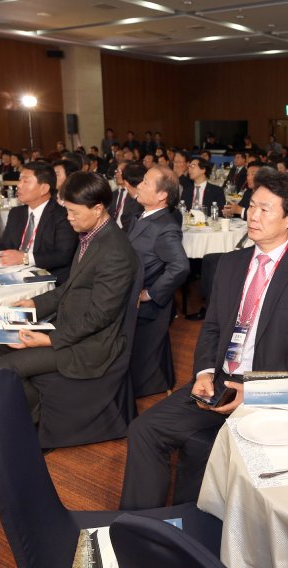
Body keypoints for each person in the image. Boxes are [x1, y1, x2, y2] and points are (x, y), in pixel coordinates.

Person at [119, 168, 288, 510]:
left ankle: (192, 527)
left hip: (270, 391)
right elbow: (212, 327)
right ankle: (140, 528)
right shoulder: (231, 264)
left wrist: (256, 393)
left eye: (265, 209)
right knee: (144, 429)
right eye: (252, 206)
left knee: (202, 446)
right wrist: (205, 372)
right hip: (220, 381)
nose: (253, 215)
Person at [0, 172, 138, 422]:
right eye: (67, 210)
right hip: (70, 325)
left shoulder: (114, 251)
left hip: (90, 344)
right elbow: (71, 286)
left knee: (1, 368)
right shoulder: (92, 235)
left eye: (73, 212)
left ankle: (37, 422)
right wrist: (34, 304)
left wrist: (49, 339)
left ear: (98, 209)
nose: (68, 218)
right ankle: (29, 408)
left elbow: (100, 316)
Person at [128, 165, 190, 397]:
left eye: (145, 182)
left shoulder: (165, 227)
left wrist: (151, 293)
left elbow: (180, 266)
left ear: (162, 195)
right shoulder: (143, 216)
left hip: (147, 303)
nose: (139, 185)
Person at [0, 163, 78, 285]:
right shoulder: (16, 213)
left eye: (26, 181)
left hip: (47, 278)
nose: (19, 185)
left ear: (44, 189)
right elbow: (4, 244)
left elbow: (63, 255)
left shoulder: (62, 215)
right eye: (20, 180)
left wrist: (24, 258)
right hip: (13, 273)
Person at [110, 162, 145, 233]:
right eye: (116, 171)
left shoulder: (138, 196)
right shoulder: (112, 194)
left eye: (120, 171)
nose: (117, 174)